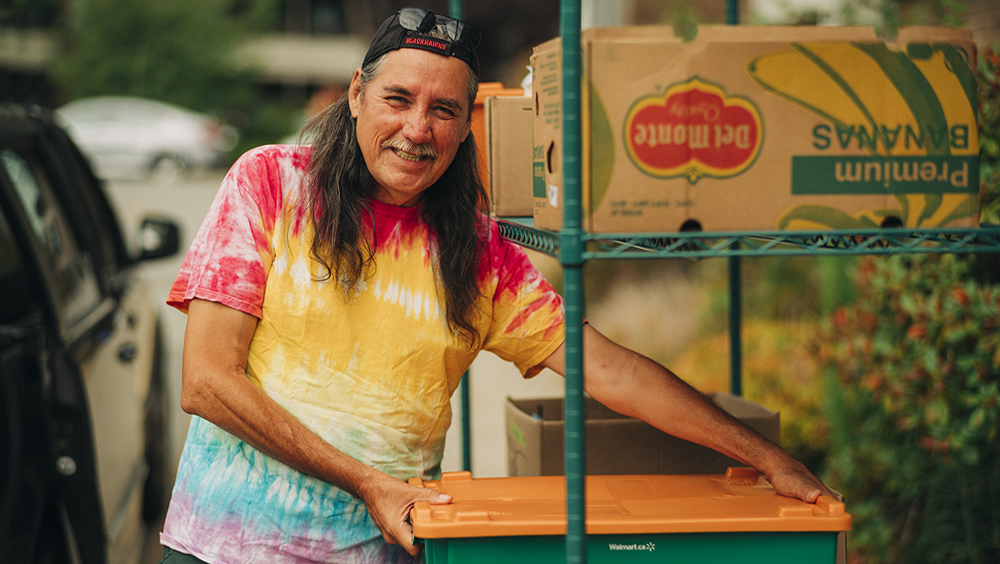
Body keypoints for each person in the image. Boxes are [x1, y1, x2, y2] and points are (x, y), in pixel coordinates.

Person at [157, 7, 833, 564]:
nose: (418, 129)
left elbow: (609, 370)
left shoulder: (476, 251)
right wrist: (369, 484)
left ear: (467, 125)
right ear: (357, 93)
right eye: (398, 98)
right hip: (221, 546)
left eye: (444, 110)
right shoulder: (270, 183)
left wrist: (769, 458)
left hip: (377, 551)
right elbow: (207, 382)